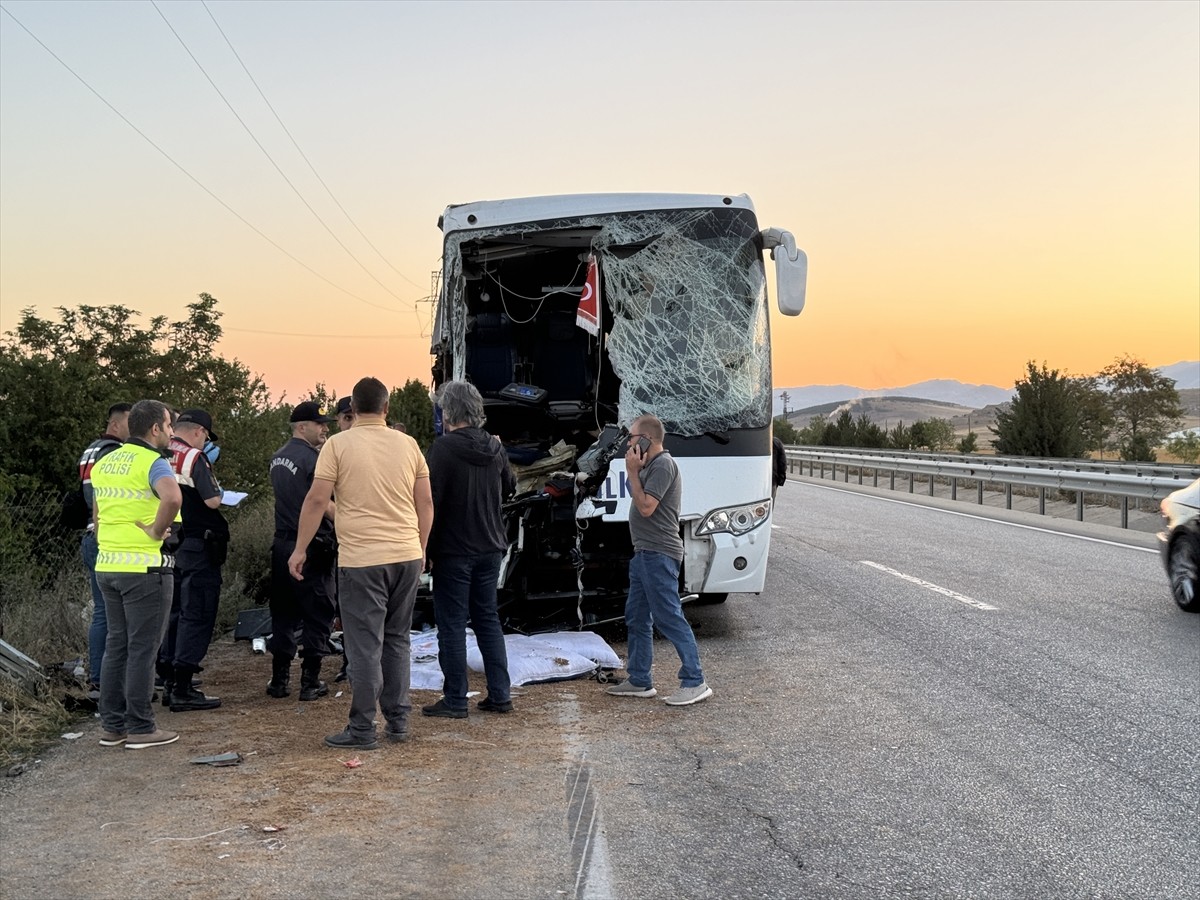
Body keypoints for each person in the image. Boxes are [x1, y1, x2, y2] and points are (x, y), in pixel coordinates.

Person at [289, 377, 433, 750]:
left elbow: (317, 501)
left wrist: (300, 548)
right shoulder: (409, 444)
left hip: (362, 561)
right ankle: (399, 723)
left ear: (352, 409)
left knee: (364, 646)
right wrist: (421, 547)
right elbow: (426, 504)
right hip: (405, 556)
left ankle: (363, 729)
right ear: (387, 408)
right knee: (398, 640)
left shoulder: (337, 445)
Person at [91, 399, 182, 749]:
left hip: (108, 565)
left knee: (116, 646)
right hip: (145, 568)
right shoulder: (153, 462)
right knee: (143, 649)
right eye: (169, 426)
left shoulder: (106, 461)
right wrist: (158, 530)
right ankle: (142, 728)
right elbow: (172, 499)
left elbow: (98, 518)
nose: (172, 433)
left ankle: (113, 727)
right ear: (155, 428)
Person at [422, 381, 515, 719]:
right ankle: (500, 695)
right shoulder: (495, 447)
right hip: (491, 546)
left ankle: (455, 699)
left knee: (451, 623)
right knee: (488, 619)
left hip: (454, 549)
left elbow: (431, 501)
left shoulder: (443, 450)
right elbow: (509, 487)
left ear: (447, 412)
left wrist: (426, 547)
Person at [606, 414, 712, 706]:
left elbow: (646, 506)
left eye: (631, 437)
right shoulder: (650, 466)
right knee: (637, 617)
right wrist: (636, 471)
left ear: (646, 440)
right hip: (644, 553)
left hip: (658, 553)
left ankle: (695, 681)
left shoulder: (664, 465)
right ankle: (640, 680)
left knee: (668, 616)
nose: (628, 442)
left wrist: (630, 471)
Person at [266, 401, 337, 701]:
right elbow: (323, 504)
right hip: (312, 544)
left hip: (282, 543)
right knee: (317, 612)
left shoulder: (278, 457)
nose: (325, 428)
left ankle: (279, 680)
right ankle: (310, 681)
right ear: (301, 426)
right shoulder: (316, 460)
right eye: (319, 423)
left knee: (282, 612)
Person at [158, 408, 226, 712]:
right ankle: (184, 687)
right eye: (205, 437)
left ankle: (170, 680)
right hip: (199, 543)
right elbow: (213, 499)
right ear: (199, 432)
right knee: (196, 612)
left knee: (174, 613)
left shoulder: (159, 453)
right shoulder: (194, 458)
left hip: (170, 542)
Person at [78, 402, 132, 697]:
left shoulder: (91, 449)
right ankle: (106, 679)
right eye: (129, 423)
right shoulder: (113, 452)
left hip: (90, 535)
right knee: (112, 614)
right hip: (106, 535)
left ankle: (98, 677)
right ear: (115, 425)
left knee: (102, 611)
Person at [772, 436, 787, 502]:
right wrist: (781, 478)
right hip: (773, 478)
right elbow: (782, 462)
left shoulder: (754, 441)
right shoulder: (776, 442)